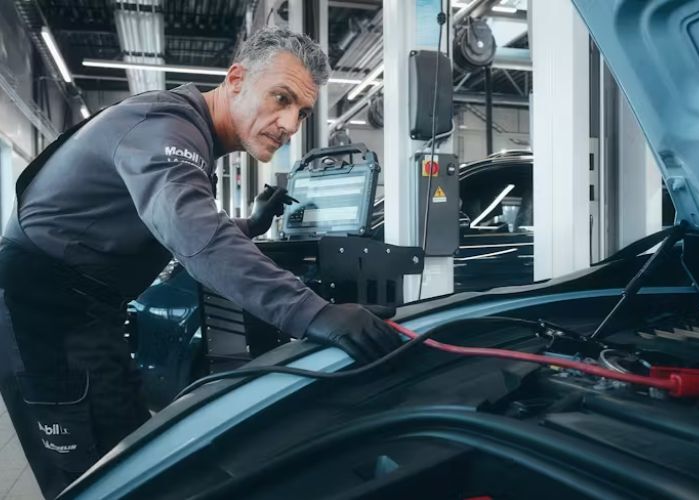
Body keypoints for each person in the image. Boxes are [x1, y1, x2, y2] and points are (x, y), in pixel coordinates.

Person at [0, 27, 400, 499]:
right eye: (280, 98)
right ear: (235, 79)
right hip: (43, 320)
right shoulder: (164, 128)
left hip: (86, 315)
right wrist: (315, 313)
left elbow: (182, 222)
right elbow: (196, 237)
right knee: (96, 482)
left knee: (131, 462)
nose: (290, 124)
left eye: (302, 111)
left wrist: (251, 224)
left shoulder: (185, 135)